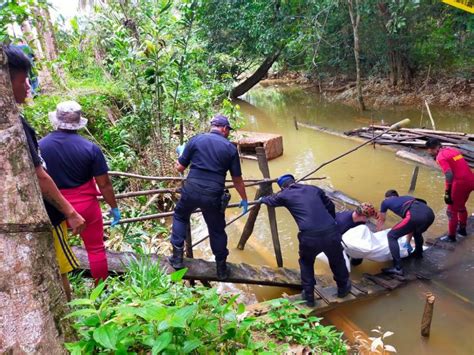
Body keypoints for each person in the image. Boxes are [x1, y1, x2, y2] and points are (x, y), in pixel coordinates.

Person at [5, 45, 85, 300]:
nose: (28, 85)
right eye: (23, 79)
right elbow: (40, 176)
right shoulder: (16, 128)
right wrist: (70, 212)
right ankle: (67, 316)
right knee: (61, 269)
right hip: (48, 214)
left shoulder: (45, 140)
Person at [39, 101, 121, 284]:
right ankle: (100, 293)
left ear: (56, 121)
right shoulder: (90, 148)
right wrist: (114, 207)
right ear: (78, 124)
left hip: (54, 207)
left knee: (54, 249)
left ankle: (63, 290)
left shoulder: (40, 147)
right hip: (86, 208)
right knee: (96, 249)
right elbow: (105, 184)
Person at [168, 114, 248, 280]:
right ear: (224, 129)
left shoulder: (195, 140)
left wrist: (181, 154)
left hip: (191, 189)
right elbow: (237, 179)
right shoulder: (230, 149)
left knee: (181, 216)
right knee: (216, 229)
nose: (228, 133)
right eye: (228, 131)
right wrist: (244, 198)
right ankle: (221, 269)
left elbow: (180, 168)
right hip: (213, 194)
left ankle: (177, 258)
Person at [260, 174, 351, 306]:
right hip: (331, 232)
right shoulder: (313, 189)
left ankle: (308, 295)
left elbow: (270, 201)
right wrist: (330, 222)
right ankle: (343, 288)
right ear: (294, 181)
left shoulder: (284, 195)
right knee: (337, 259)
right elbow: (330, 206)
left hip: (310, 237)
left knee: (306, 263)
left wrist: (262, 199)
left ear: (282, 187)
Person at [377, 189, 435, 275]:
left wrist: (378, 232)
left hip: (415, 215)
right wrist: (407, 242)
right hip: (430, 214)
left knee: (391, 236)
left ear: (387, 198)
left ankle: (398, 268)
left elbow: (381, 219)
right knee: (416, 231)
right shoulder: (407, 198)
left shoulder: (386, 202)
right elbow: (410, 226)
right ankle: (418, 253)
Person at [426, 138, 473, 242]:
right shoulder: (452, 150)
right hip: (471, 180)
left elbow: (449, 174)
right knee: (460, 206)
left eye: (428, 150)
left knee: (450, 211)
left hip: (461, 183)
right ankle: (462, 230)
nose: (428, 152)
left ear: (432, 149)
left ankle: (451, 237)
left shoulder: (440, 157)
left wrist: (447, 192)